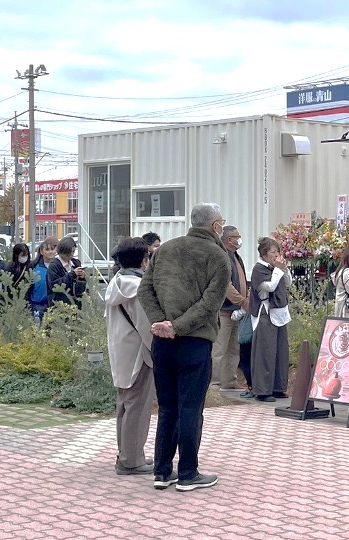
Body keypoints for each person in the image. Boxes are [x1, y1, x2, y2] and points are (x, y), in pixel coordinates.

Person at [138, 202, 231, 492]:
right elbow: (209, 305)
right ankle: (188, 473)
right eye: (222, 223)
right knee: (190, 407)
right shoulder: (219, 256)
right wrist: (177, 327)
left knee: (167, 408)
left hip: (162, 342)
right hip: (195, 342)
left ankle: (162, 471)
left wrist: (161, 323)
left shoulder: (165, 249)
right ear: (216, 226)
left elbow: (145, 289)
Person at [105, 237, 155, 475]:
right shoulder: (138, 288)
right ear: (144, 260)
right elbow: (147, 327)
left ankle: (126, 453)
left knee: (124, 405)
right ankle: (132, 460)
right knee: (138, 406)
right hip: (139, 354)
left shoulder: (116, 282)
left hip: (120, 350)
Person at [248, 237, 293, 403]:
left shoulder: (276, 268)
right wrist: (278, 271)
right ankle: (263, 390)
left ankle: (278, 387)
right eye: (273, 252)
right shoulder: (259, 269)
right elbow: (270, 287)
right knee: (265, 352)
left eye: (278, 252)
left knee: (281, 352)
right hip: (265, 313)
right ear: (264, 254)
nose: (276, 255)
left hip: (280, 312)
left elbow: (287, 283)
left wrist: (284, 270)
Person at [211, 225, 249, 391]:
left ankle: (229, 381)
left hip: (237, 312)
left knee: (234, 349)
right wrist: (242, 301)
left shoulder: (236, 257)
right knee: (219, 349)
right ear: (228, 240)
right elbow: (226, 285)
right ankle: (214, 384)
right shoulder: (223, 257)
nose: (239, 239)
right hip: (224, 311)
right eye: (236, 236)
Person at [47, 236, 85, 307]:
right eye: (68, 252)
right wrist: (72, 274)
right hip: (59, 306)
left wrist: (82, 278)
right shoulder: (54, 266)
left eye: (73, 251)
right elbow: (55, 285)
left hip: (76, 305)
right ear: (62, 251)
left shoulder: (76, 263)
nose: (71, 254)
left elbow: (80, 290)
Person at [28, 237, 57, 319]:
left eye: (52, 249)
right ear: (41, 252)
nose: (50, 252)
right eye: (47, 249)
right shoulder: (34, 266)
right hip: (37, 305)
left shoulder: (58, 266)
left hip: (54, 305)